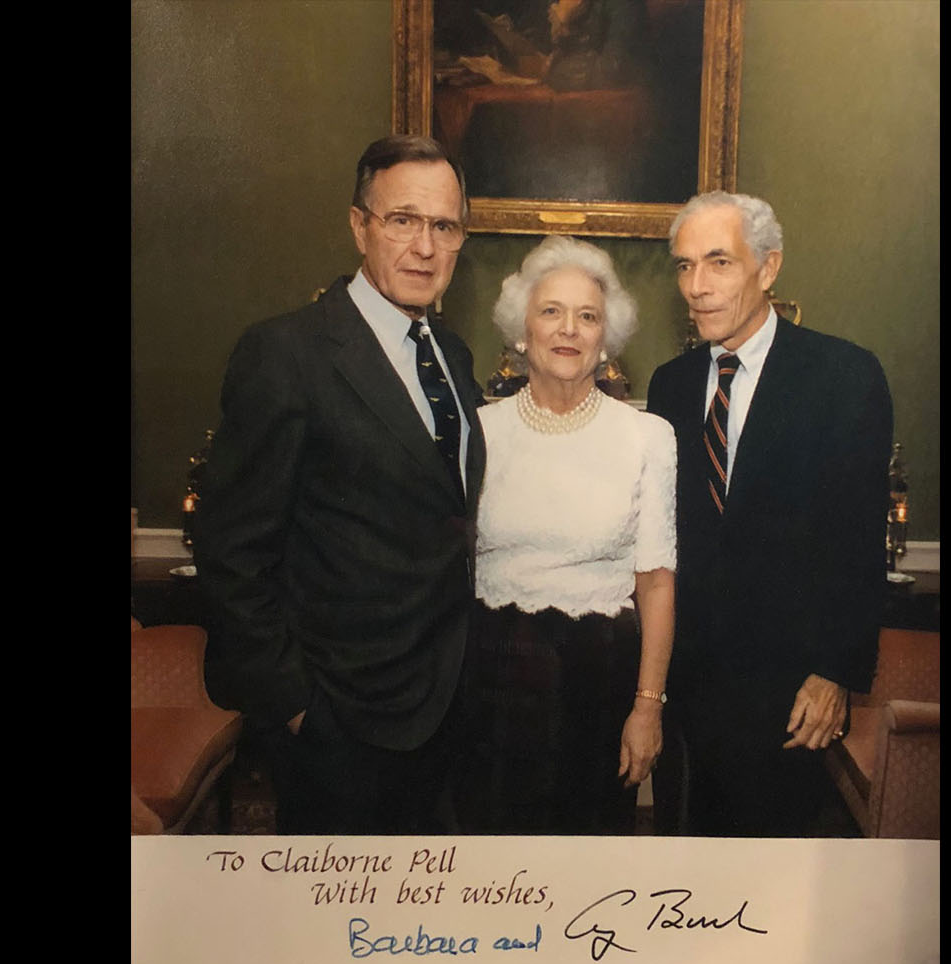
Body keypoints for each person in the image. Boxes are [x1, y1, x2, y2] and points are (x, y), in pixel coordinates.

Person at [192, 135, 486, 835]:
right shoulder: (285, 353)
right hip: (336, 721)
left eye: (443, 227)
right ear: (359, 226)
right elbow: (229, 551)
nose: (424, 247)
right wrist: (295, 705)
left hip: (444, 707)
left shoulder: (452, 353)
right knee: (331, 933)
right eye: (402, 220)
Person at [646, 191, 893, 837]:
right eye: (684, 265)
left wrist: (835, 672)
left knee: (769, 885)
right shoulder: (669, 385)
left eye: (719, 263)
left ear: (769, 267)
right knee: (682, 868)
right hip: (688, 688)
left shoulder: (844, 376)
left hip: (789, 693)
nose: (696, 287)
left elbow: (860, 543)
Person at [452, 235, 676, 835]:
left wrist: (647, 709)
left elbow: (655, 583)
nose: (568, 329)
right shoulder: (476, 432)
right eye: (551, 311)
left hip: (598, 677)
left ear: (606, 338)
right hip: (490, 672)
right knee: (489, 855)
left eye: (587, 316)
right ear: (521, 329)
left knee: (588, 858)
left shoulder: (647, 437)